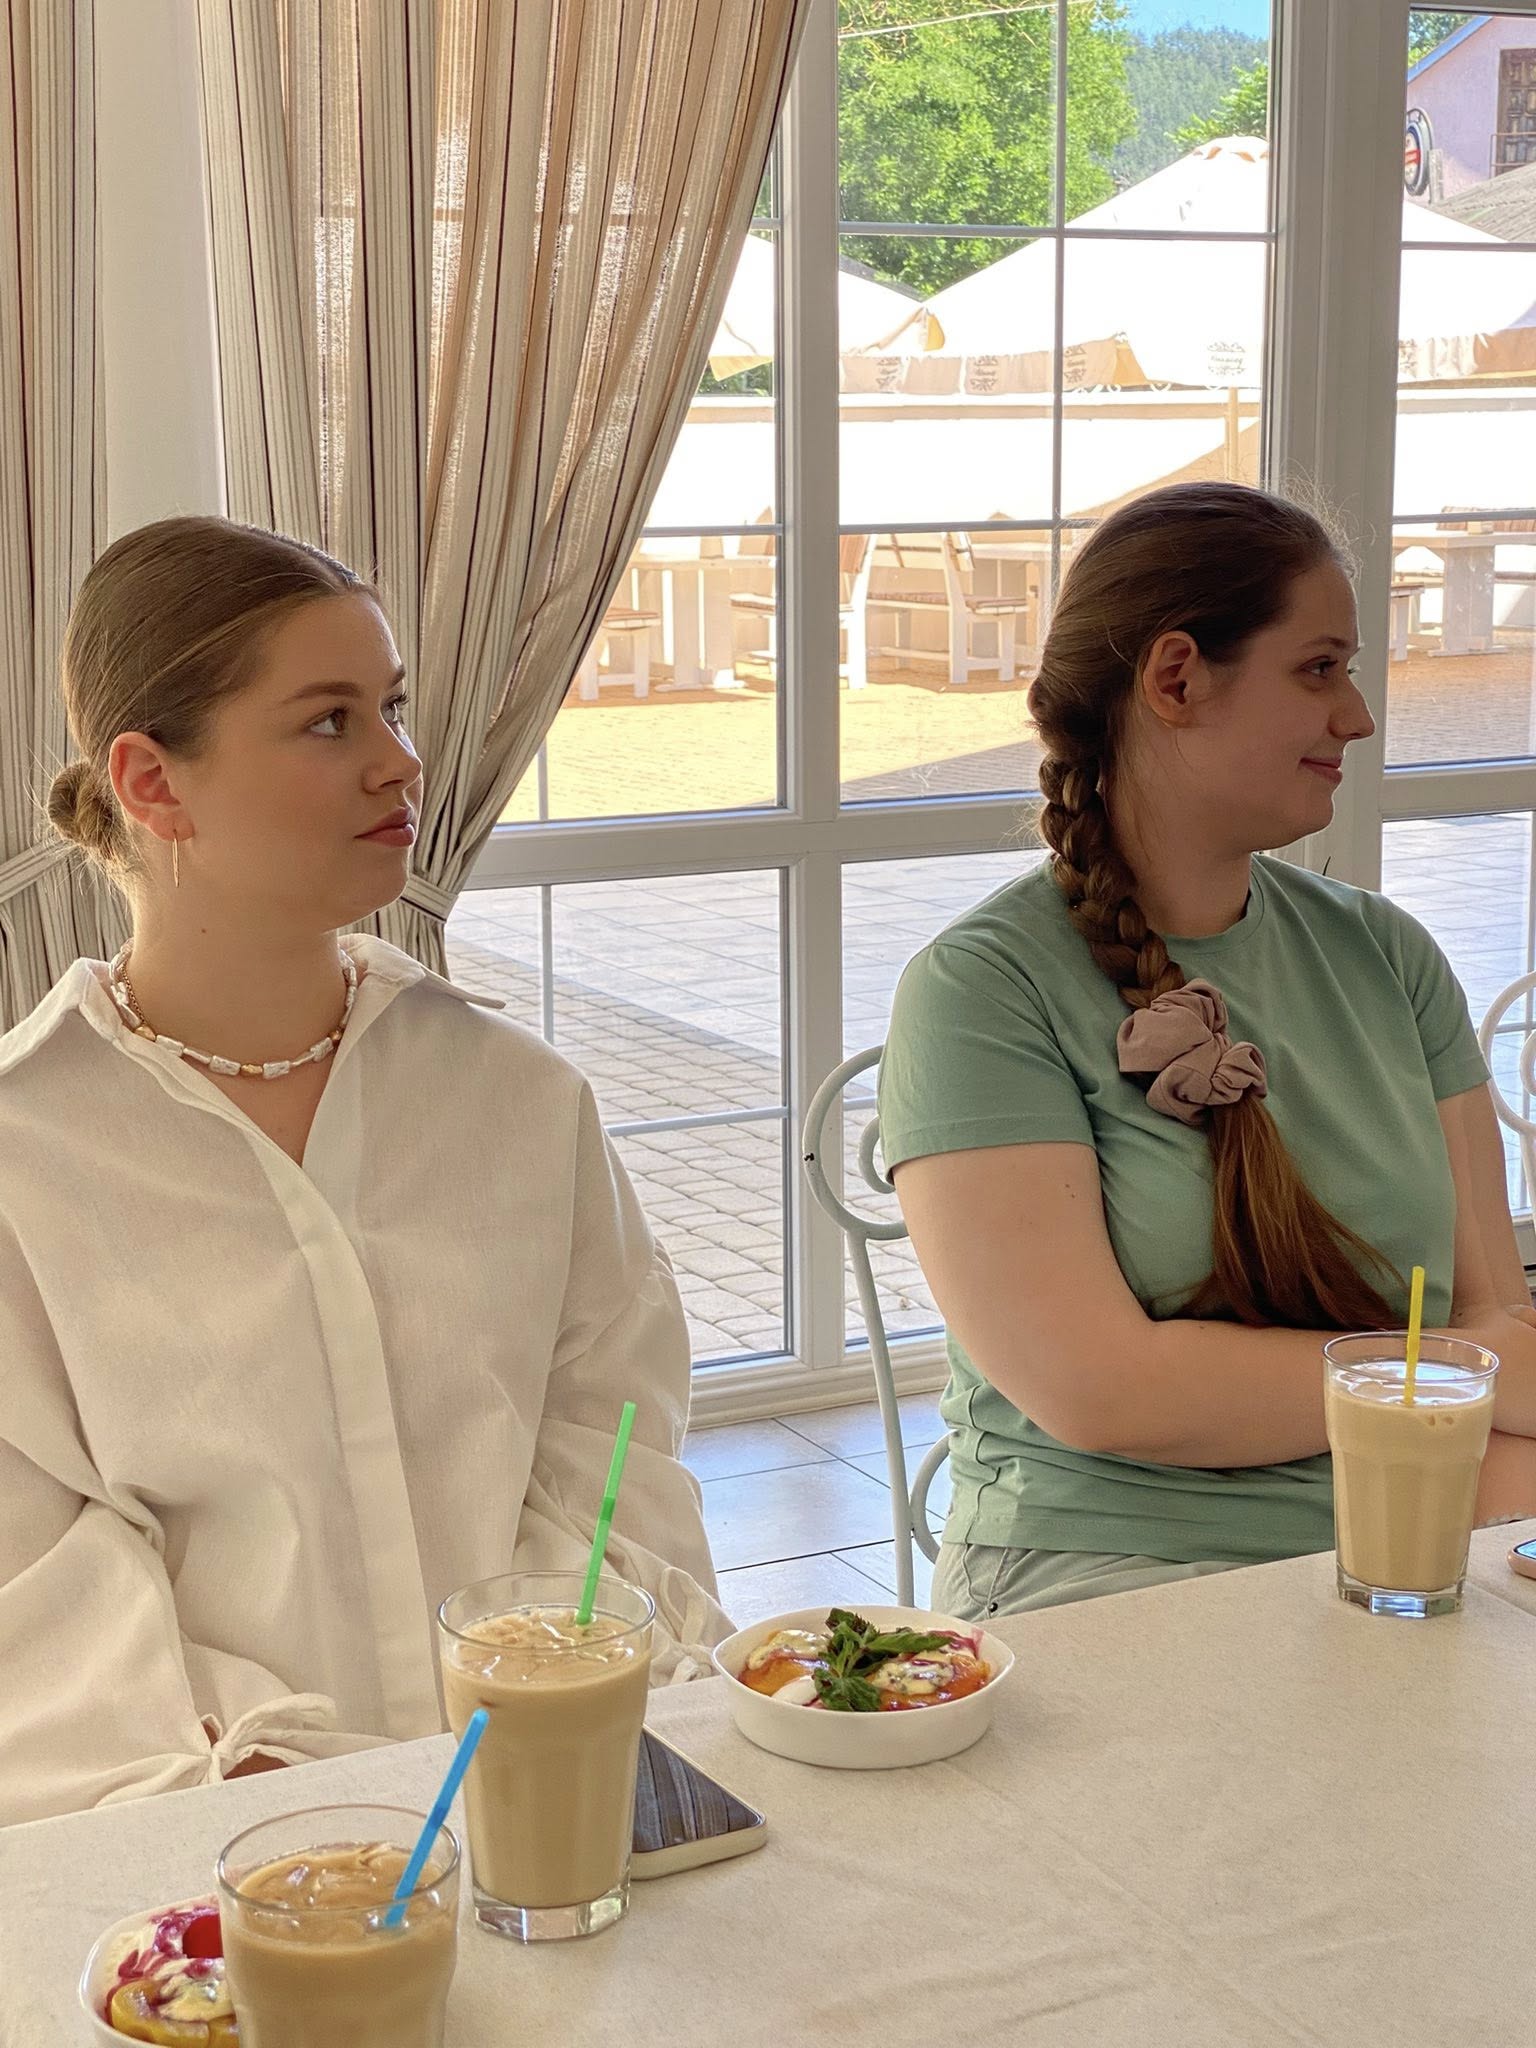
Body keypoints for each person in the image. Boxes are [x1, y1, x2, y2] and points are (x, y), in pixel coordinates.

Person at [0, 515, 730, 1825]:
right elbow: (32, 1557)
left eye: (391, 706)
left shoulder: (520, 1101)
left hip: (545, 1790)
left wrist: (552, 1673)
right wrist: (264, 1774)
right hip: (207, 1832)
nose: (401, 761)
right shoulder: (27, 1153)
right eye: (329, 721)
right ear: (154, 783)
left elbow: (616, 1440)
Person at [878, 482, 1536, 1623]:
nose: (1358, 717)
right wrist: (1434, 1378)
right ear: (1176, 678)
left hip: (1400, 1537)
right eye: (1319, 669)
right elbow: (1103, 1392)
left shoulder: (1388, 955)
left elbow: (1496, 1333)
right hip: (1107, 1567)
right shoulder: (980, 992)